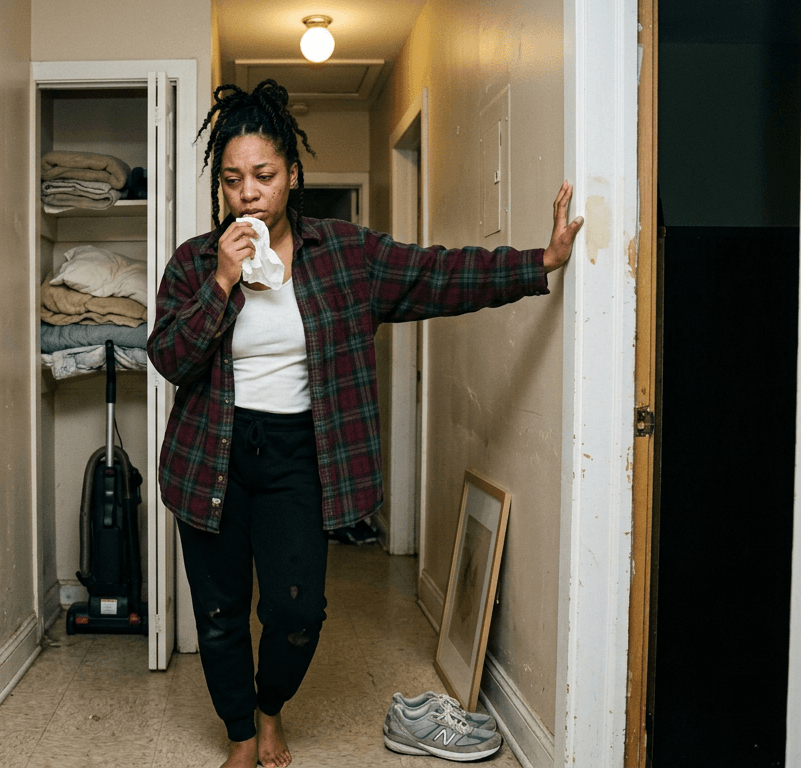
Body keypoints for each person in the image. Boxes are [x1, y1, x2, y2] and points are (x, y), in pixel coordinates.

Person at [146, 79, 582, 768]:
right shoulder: (195, 263)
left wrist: (540, 263)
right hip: (211, 456)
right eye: (232, 180)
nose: (248, 193)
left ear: (292, 175)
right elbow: (171, 358)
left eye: (263, 176)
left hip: (299, 455)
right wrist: (223, 283)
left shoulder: (346, 254)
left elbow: (438, 274)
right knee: (221, 614)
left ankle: (269, 711)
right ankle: (239, 735)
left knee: (296, 613)